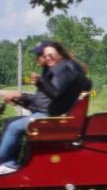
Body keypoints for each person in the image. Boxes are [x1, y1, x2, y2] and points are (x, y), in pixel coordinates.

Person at [0, 41, 91, 174]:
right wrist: (20, 97)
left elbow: (54, 96)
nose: (38, 58)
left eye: (41, 55)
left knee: (14, 126)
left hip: (54, 116)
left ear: (58, 54)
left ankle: (7, 163)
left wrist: (38, 83)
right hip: (52, 113)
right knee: (9, 123)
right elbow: (42, 102)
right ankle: (10, 163)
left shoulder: (64, 69)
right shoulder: (55, 71)